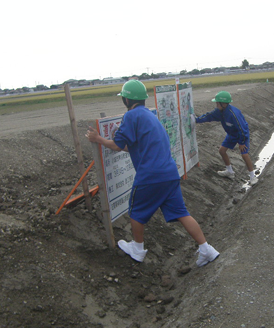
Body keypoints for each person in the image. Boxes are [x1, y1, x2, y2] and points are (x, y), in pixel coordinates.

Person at [86, 80, 219, 267]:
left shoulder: (131, 116)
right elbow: (133, 146)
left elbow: (117, 145)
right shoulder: (148, 115)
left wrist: (98, 138)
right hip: (170, 173)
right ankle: (207, 249)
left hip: (151, 175)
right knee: (182, 213)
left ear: (126, 99)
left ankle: (138, 250)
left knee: (136, 212)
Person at [193, 91, 258, 185]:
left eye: (217, 103)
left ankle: (252, 177)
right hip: (231, 134)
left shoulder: (233, 114)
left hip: (242, 134)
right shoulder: (219, 111)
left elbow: (242, 128)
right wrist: (196, 120)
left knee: (244, 154)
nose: (216, 104)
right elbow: (209, 116)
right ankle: (230, 172)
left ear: (223, 103)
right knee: (222, 151)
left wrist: (242, 142)